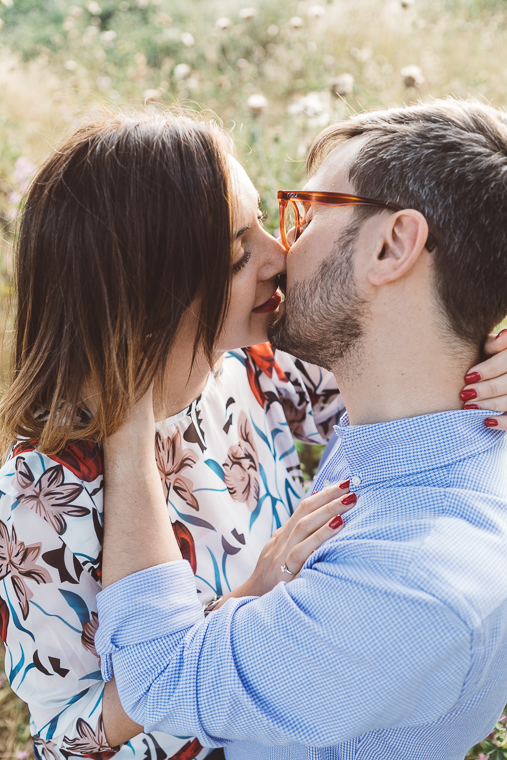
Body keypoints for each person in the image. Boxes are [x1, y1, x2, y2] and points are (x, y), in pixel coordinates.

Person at [95, 98, 507, 760]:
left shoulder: (410, 582)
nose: (282, 247)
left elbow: (162, 678)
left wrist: (126, 423)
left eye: (307, 213)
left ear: (392, 244)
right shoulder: (423, 427)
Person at [0, 108, 376, 760]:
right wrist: (245, 605)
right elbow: (65, 741)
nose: (276, 255)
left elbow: (403, 403)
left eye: (260, 226)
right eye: (237, 255)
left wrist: (483, 368)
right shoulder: (40, 500)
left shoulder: (249, 366)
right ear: (150, 295)